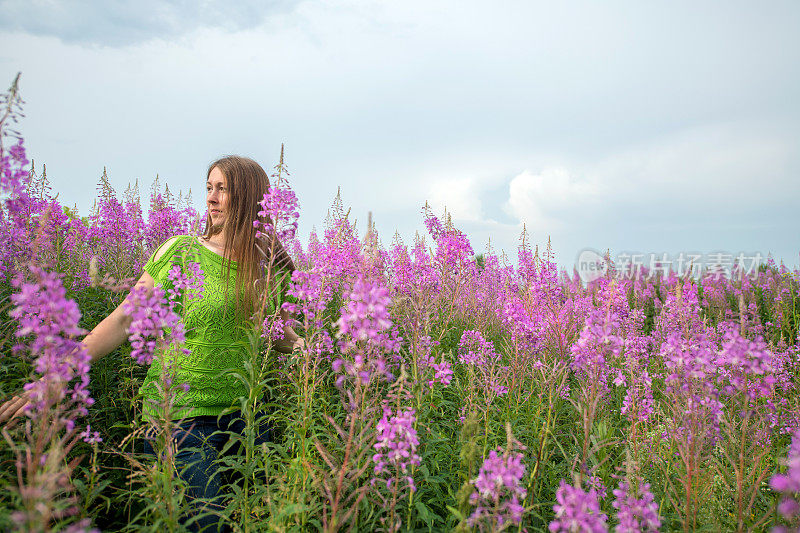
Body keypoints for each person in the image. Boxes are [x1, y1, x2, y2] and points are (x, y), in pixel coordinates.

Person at [0, 155, 304, 532]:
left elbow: (279, 337)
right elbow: (125, 318)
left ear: (250, 198)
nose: (210, 198)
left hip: (249, 420)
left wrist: (332, 349)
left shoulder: (269, 266)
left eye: (222, 189)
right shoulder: (181, 251)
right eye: (209, 187)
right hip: (181, 419)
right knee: (208, 526)